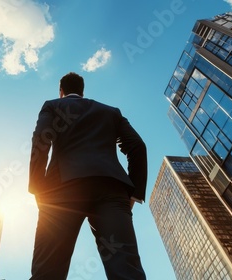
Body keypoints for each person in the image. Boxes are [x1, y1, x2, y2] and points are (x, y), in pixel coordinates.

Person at [28, 72, 147, 279]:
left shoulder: (53, 105)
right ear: (83, 92)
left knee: (47, 271)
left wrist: (38, 188)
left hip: (61, 190)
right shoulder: (111, 112)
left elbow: (41, 140)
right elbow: (137, 146)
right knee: (127, 269)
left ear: (61, 91)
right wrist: (134, 194)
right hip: (111, 190)